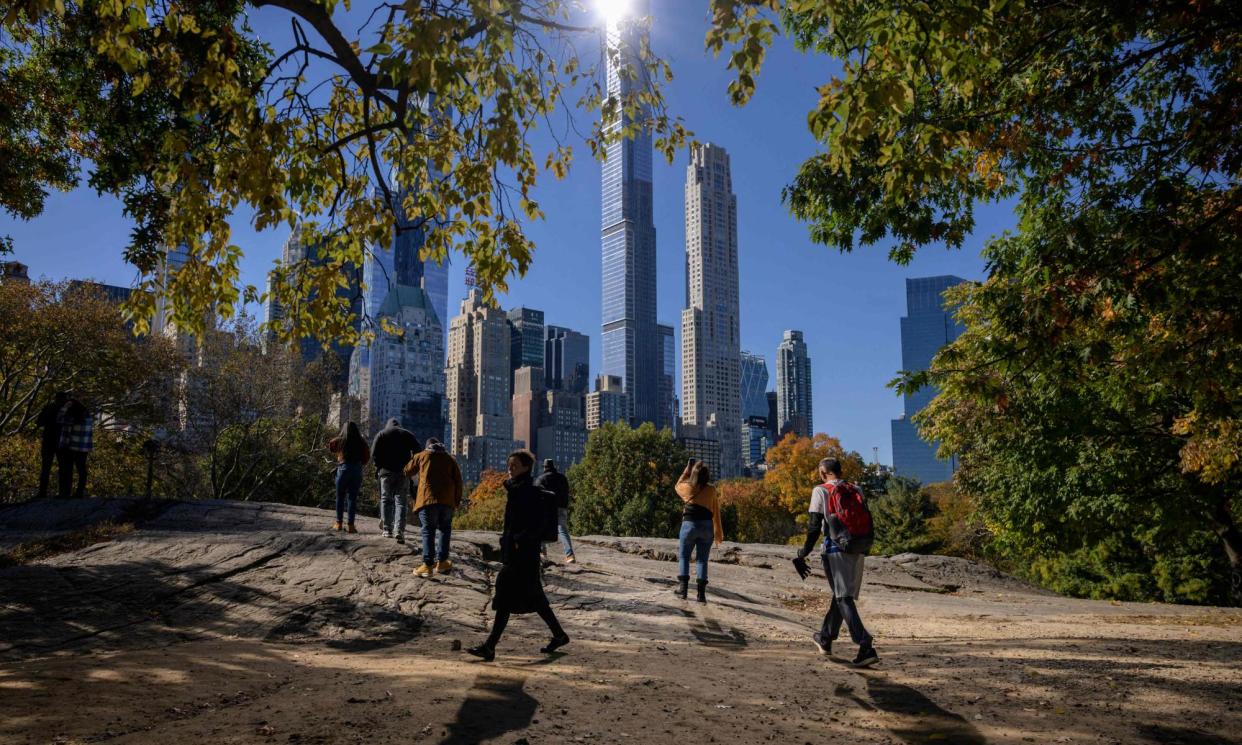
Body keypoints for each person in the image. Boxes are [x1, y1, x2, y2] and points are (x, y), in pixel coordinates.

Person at [466, 450, 569, 661]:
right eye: (508, 466)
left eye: (513, 466)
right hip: (521, 552)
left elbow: (535, 522)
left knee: (505, 593)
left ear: (525, 467)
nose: (509, 469)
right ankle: (559, 635)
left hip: (522, 553)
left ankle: (490, 646)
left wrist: (518, 540)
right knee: (535, 597)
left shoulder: (528, 490)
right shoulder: (517, 489)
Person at [792, 457, 879, 668]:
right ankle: (825, 637)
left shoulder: (820, 490)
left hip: (835, 550)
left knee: (843, 598)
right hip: (858, 548)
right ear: (840, 471)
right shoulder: (856, 489)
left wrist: (803, 552)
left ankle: (865, 644)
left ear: (823, 473)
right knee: (840, 596)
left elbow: (814, 526)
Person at [405, 438, 463, 577]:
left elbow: (406, 471)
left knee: (428, 531)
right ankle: (442, 562)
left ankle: (427, 565)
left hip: (427, 500)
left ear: (427, 446)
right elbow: (459, 482)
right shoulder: (450, 459)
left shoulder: (422, 456)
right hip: (447, 502)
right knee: (445, 530)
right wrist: (456, 501)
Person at [673, 459, 723, 602]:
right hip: (707, 527)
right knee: (702, 560)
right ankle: (701, 595)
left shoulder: (688, 488)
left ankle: (683, 591)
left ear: (693, 475)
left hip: (689, 526)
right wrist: (717, 529)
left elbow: (677, 485)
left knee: (684, 557)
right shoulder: (711, 489)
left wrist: (686, 470)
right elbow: (715, 509)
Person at [370, 418, 421, 543]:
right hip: (403, 473)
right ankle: (399, 530)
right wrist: (411, 466)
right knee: (401, 502)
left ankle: (387, 529)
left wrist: (379, 466)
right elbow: (419, 452)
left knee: (386, 500)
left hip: (385, 472)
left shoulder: (381, 434)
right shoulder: (407, 434)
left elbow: (374, 453)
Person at [327, 421, 370, 533]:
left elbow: (331, 446)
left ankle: (339, 523)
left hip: (343, 469)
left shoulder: (341, 441)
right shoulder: (361, 442)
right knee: (352, 498)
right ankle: (351, 526)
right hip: (356, 470)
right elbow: (366, 458)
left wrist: (340, 436)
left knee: (340, 497)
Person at [534, 459, 575, 563]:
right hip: (562, 507)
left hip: (548, 509)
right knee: (562, 530)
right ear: (553, 466)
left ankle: (542, 554)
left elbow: (535, 493)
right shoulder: (563, 478)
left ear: (544, 467)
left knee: (541, 529)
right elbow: (567, 492)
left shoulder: (541, 478)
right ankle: (570, 555)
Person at [56, 398, 93, 499]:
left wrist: (64, 408)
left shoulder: (71, 418)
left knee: (67, 470)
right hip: (83, 448)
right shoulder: (88, 417)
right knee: (81, 469)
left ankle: (65, 493)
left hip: (71, 448)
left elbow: (59, 419)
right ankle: (80, 491)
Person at [36, 391, 69, 499]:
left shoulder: (48, 407)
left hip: (48, 441)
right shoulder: (66, 410)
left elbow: (39, 422)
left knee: (45, 468)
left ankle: (42, 493)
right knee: (63, 468)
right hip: (62, 442)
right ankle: (63, 493)